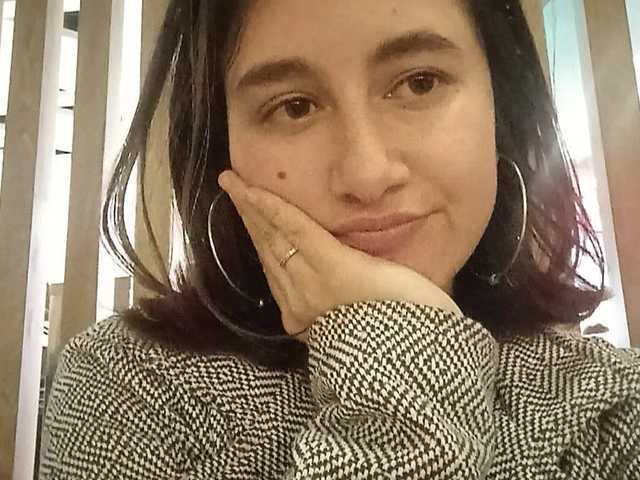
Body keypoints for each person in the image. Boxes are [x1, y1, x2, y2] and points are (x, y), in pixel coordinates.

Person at [39, 0, 640, 478]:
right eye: (294, 106)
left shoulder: (613, 403)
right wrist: (401, 366)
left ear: (500, 107)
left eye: (420, 82)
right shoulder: (129, 384)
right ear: (222, 147)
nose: (367, 174)